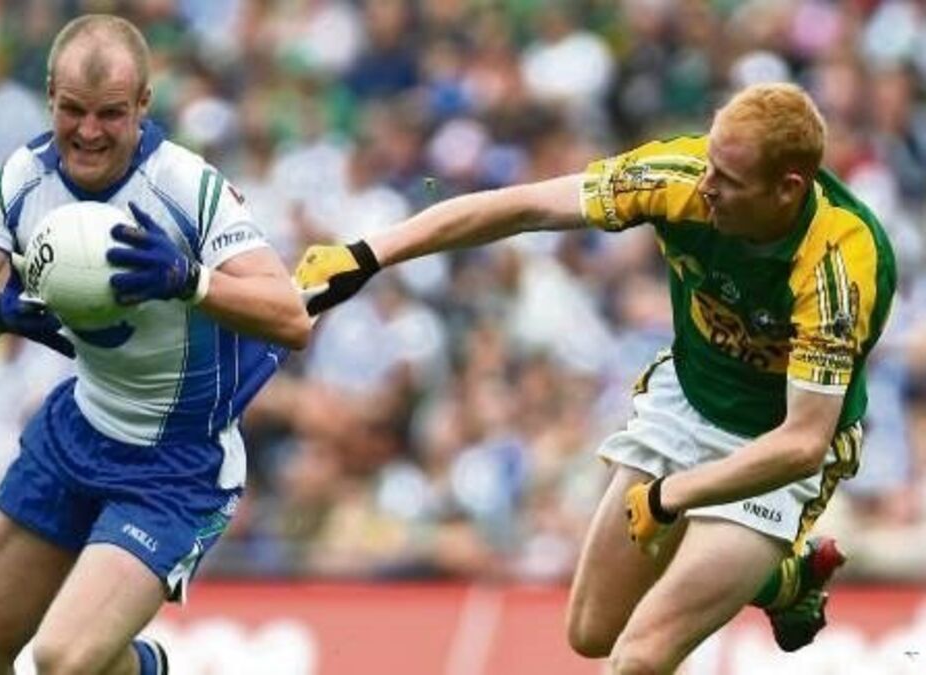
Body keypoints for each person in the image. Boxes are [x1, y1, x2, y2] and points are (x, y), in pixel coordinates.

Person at [295, 82, 895, 673]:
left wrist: (671, 495)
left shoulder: (838, 265)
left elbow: (801, 443)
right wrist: (369, 254)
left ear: (788, 189)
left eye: (729, 180)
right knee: (592, 633)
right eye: (710, 163)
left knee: (638, 658)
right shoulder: (674, 177)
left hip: (775, 454)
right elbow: (522, 207)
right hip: (688, 405)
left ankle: (751, 559)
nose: (706, 186)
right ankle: (783, 581)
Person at [0, 14, 310, 675]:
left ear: (144, 104)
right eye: (73, 110)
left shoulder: (186, 187)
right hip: (79, 431)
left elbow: (290, 317)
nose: (89, 131)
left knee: (63, 660)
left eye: (111, 113)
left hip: (176, 465)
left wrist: (190, 279)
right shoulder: (18, 182)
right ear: (49, 98)